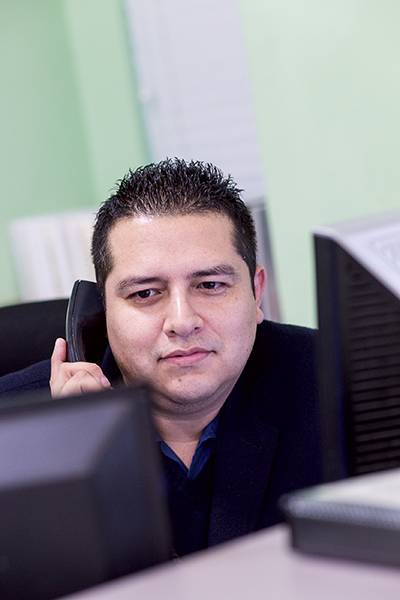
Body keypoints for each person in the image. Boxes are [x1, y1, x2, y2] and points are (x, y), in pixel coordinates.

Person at [0, 158, 322, 556]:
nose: (182, 322)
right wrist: (71, 453)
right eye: (146, 293)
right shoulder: (12, 426)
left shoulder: (342, 380)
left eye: (210, 284)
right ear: (102, 311)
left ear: (256, 292)